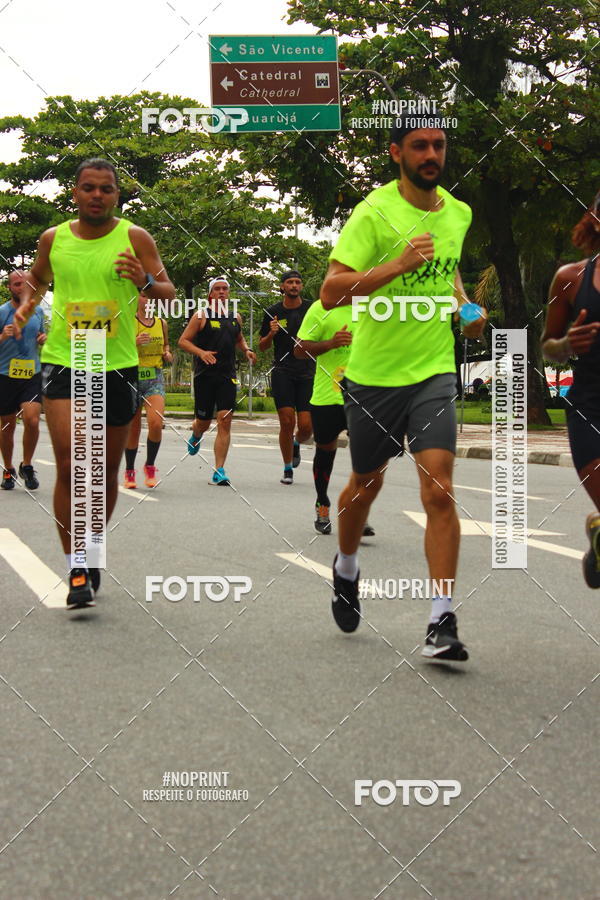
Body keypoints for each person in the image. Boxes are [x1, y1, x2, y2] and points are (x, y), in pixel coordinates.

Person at [320, 123, 486, 660]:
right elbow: (330, 292)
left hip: (433, 371)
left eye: (439, 145)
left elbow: (449, 273)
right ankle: (346, 566)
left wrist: (466, 310)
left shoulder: (457, 213)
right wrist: (395, 266)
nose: (432, 154)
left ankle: (441, 619)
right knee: (364, 485)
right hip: (372, 374)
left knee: (438, 490)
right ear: (397, 153)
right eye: (420, 145)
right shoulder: (372, 211)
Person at [15, 158, 175, 608]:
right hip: (66, 358)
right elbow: (37, 280)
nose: (97, 195)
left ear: (117, 195)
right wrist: (27, 306)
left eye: (106, 189)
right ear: (75, 193)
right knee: (70, 464)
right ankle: (76, 568)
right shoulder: (54, 239)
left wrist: (144, 280)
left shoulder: (135, 237)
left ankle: (94, 549)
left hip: (117, 362)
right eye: (89, 188)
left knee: (100, 470)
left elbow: (169, 291)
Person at [541, 190, 600, 588]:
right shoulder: (570, 278)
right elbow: (549, 345)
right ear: (595, 218)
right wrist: (568, 345)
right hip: (591, 410)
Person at [294, 300, 375, 537]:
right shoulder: (322, 308)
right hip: (327, 397)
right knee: (326, 452)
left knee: (366, 456)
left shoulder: (373, 306)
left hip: (362, 396)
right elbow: (299, 350)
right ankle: (322, 503)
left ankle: (358, 512)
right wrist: (331, 343)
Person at [178, 276, 256, 485]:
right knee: (203, 423)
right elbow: (183, 341)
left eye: (225, 289)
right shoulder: (201, 316)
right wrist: (201, 353)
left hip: (227, 375)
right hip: (205, 376)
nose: (222, 292)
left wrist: (247, 350)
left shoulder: (235, 317)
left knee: (225, 420)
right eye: (218, 289)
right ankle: (196, 434)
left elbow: (238, 338)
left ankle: (219, 470)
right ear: (211, 294)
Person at [259, 270, 314, 484]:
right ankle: (287, 468)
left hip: (307, 372)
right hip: (282, 371)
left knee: (307, 426)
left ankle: (297, 443)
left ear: (301, 286)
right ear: (282, 287)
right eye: (289, 282)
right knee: (286, 421)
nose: (294, 286)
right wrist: (271, 333)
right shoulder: (272, 312)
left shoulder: (311, 309)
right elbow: (262, 347)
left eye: (297, 282)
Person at [0, 270, 46, 490]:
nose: (22, 287)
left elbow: (41, 338)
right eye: (17, 284)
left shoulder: (37, 312)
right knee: (7, 426)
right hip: (5, 375)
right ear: (10, 287)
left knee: (32, 419)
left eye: (26, 283)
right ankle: (8, 469)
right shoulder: (2, 312)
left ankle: (26, 465)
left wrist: (43, 339)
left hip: (31, 374)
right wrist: (3, 335)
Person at [124, 294, 173, 489]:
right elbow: (116, 347)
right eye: (144, 296)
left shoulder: (161, 323)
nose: (148, 300)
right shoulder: (128, 321)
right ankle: (129, 471)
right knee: (133, 428)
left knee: (155, 422)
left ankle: (150, 465)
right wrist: (134, 342)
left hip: (154, 377)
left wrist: (167, 352)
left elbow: (166, 344)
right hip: (132, 377)